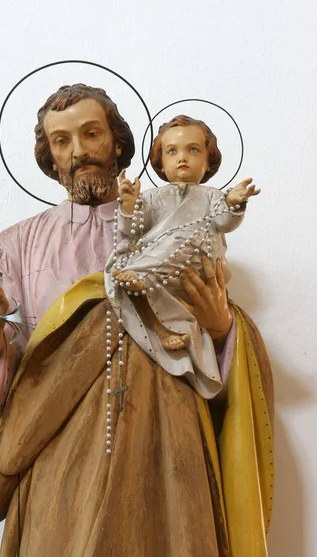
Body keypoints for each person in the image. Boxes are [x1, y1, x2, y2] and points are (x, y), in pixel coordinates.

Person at [0, 84, 274, 557]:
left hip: (168, 447)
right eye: (61, 141)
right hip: (60, 455)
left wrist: (222, 328)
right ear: (49, 156)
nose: (77, 151)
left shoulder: (175, 225)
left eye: (90, 133)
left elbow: (210, 339)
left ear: (119, 143)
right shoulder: (13, 246)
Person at [105, 115, 260, 399]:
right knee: (125, 271)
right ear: (160, 162)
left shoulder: (212, 196)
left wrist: (235, 202)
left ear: (208, 161)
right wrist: (128, 205)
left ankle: (143, 280)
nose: (182, 158)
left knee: (148, 266)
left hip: (196, 265)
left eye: (193, 150)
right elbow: (135, 230)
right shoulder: (152, 197)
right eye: (172, 151)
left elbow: (224, 220)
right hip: (160, 269)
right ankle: (159, 330)